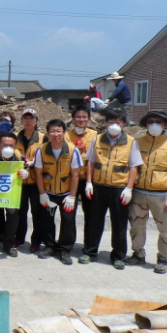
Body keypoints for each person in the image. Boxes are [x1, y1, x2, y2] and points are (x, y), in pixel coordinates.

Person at [79, 110, 143, 269]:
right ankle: (90, 252)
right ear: (106, 124)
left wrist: (129, 188)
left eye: (118, 122)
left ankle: (118, 256)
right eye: (111, 122)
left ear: (124, 124)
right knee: (94, 221)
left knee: (119, 224)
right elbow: (91, 162)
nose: (114, 125)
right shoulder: (97, 139)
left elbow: (134, 166)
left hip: (119, 189)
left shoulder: (131, 142)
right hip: (99, 187)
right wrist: (89, 182)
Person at [126, 110, 167, 274]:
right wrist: (129, 188)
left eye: (159, 121)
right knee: (136, 225)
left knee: (165, 228)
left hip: (162, 195)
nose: (155, 124)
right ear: (146, 124)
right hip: (139, 193)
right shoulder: (138, 143)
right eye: (151, 121)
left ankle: (163, 259)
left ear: (165, 125)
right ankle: (138, 254)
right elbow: (133, 166)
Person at [34, 120, 82, 265]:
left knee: (68, 221)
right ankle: (49, 246)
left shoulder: (73, 150)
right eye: (53, 131)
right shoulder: (41, 150)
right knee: (47, 220)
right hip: (49, 192)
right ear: (48, 133)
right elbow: (38, 173)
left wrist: (72, 196)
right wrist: (42, 194)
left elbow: (75, 175)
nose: (56, 134)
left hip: (66, 193)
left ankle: (64, 249)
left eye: (59, 131)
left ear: (64, 133)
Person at [14, 108, 48, 252]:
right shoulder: (16, 136)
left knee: (37, 213)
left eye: (31, 118)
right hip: (19, 182)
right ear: (21, 120)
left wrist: (34, 163)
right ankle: (19, 239)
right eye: (25, 118)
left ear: (36, 121)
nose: (28, 121)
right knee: (20, 212)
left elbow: (47, 157)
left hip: (36, 182)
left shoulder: (43, 138)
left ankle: (36, 241)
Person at [65, 104, 97, 246]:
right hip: (71, 179)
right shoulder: (66, 136)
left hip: (89, 180)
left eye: (84, 117)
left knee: (91, 215)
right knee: (68, 214)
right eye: (78, 117)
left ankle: (89, 247)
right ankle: (67, 245)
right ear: (73, 119)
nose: (81, 120)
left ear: (89, 119)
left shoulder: (95, 136)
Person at [0, 111, 16, 242]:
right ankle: (1, 233)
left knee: (12, 211)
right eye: (0, 120)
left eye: (6, 120)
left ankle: (10, 237)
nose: (3, 123)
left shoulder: (16, 136)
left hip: (12, 180)